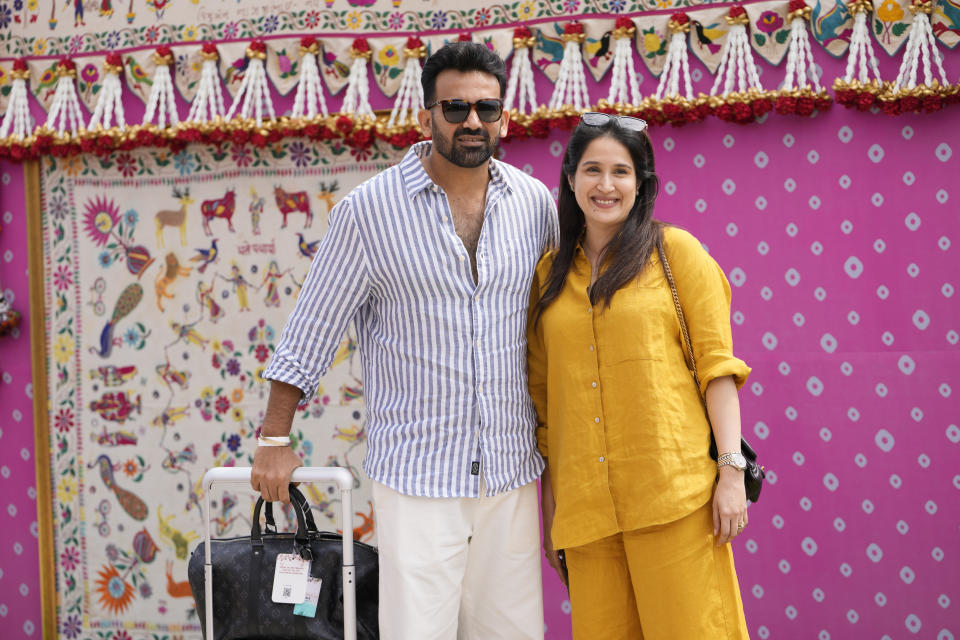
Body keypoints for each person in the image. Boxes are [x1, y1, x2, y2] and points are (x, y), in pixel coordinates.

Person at [252, 42, 558, 640]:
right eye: (455, 107)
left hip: (511, 474)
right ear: (425, 117)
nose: (473, 121)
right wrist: (273, 439)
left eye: (487, 109)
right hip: (419, 481)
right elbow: (312, 328)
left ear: (503, 116)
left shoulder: (535, 203)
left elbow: (557, 327)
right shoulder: (368, 212)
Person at [527, 112, 751, 639]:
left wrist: (731, 474)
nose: (606, 185)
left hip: (672, 500)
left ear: (642, 182)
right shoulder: (548, 275)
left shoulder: (676, 253)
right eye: (592, 170)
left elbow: (717, 371)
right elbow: (544, 400)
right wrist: (552, 502)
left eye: (621, 172)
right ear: (571, 178)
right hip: (585, 516)